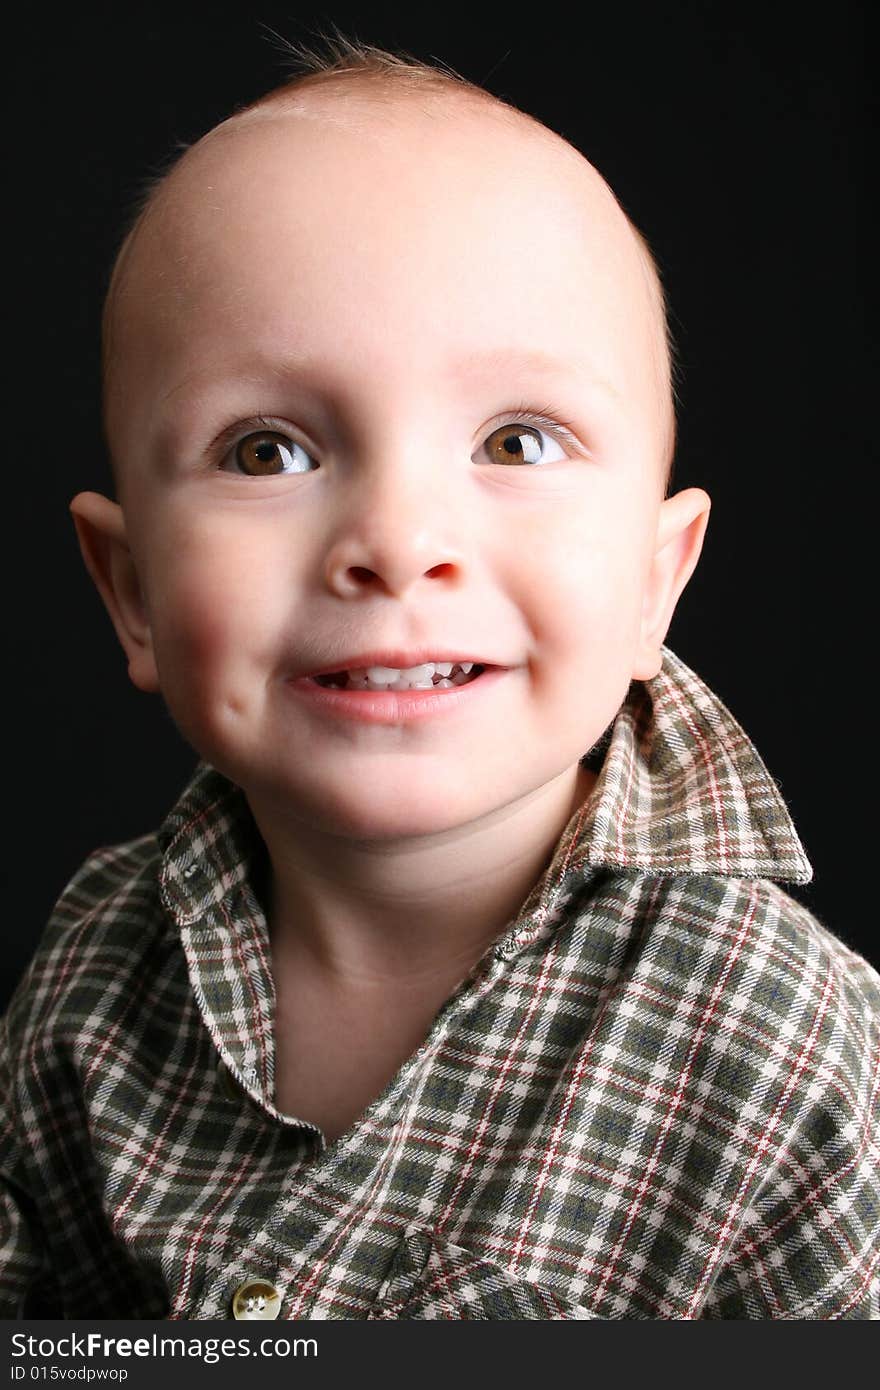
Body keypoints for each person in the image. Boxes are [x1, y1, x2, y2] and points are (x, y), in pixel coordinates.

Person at [2, 34, 878, 1321]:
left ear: (654, 579)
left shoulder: (779, 1043)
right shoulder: (94, 976)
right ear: (131, 592)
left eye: (516, 439)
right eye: (267, 450)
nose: (399, 541)